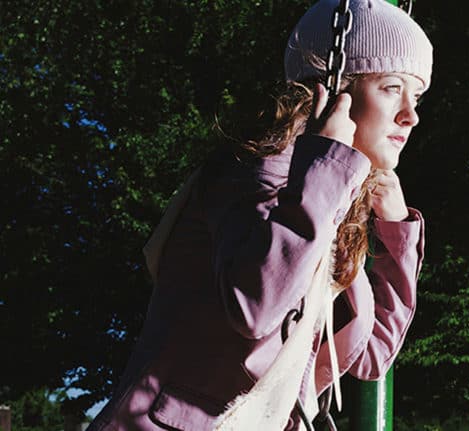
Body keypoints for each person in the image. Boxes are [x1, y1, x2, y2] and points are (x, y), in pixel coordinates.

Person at [86, 0, 432, 430]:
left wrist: (397, 236)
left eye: (417, 96)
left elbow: (372, 357)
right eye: (391, 88)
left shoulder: (330, 203)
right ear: (333, 90)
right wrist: (330, 167)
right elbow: (256, 307)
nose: (411, 115)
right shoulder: (258, 171)